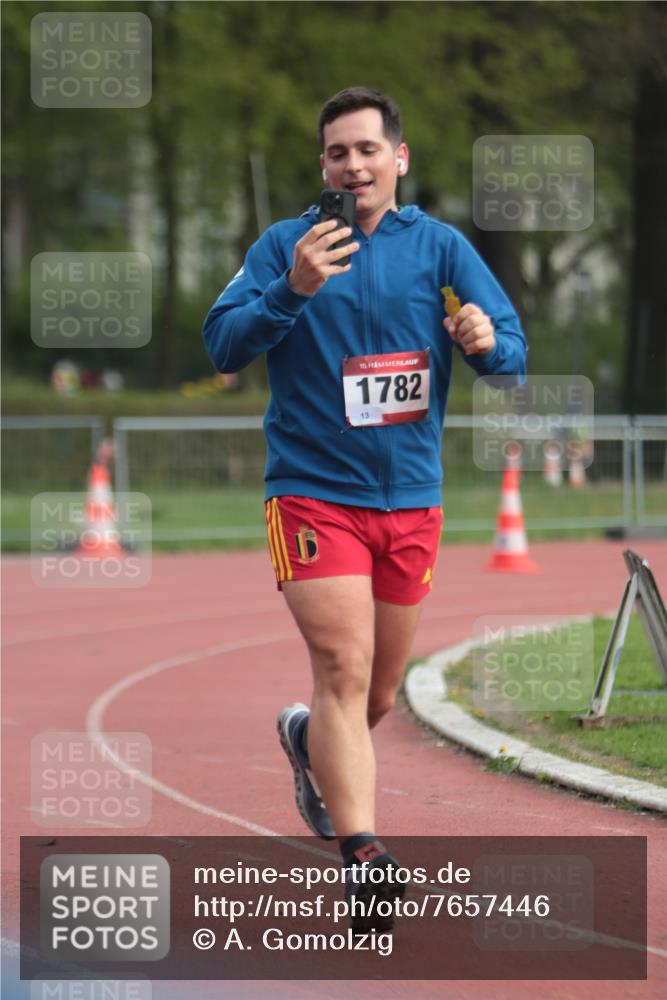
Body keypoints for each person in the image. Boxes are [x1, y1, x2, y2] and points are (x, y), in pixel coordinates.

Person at [203, 86, 527, 932]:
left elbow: (510, 347)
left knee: (377, 694)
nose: (353, 164)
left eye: (367, 150)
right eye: (337, 153)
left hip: (410, 500)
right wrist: (293, 290)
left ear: (399, 159)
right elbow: (222, 342)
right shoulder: (287, 245)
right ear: (323, 167)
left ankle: (307, 737)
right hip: (312, 492)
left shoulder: (442, 248)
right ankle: (364, 858)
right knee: (344, 667)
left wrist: (487, 342)